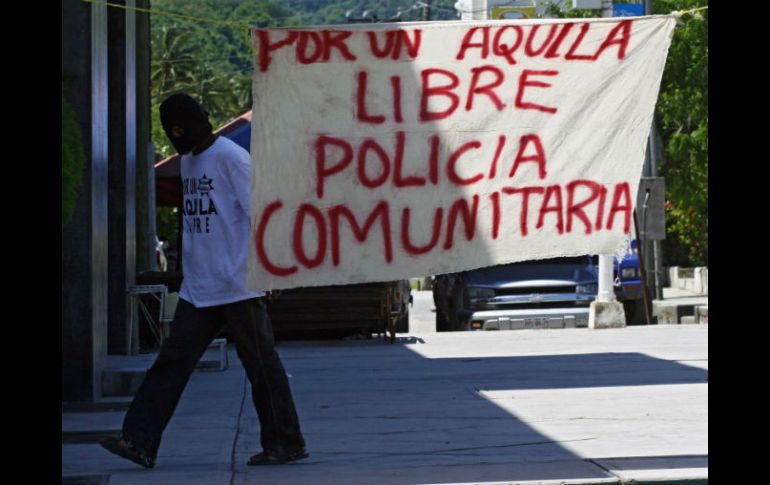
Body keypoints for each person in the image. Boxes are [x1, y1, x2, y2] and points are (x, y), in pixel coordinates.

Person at [100, 93, 307, 468]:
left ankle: (286, 442)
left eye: (179, 129)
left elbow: (263, 215)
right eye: (171, 131)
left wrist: (273, 269)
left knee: (261, 364)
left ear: (193, 124)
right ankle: (138, 440)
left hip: (238, 283)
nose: (176, 136)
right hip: (201, 287)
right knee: (171, 362)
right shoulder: (189, 162)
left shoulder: (231, 158)